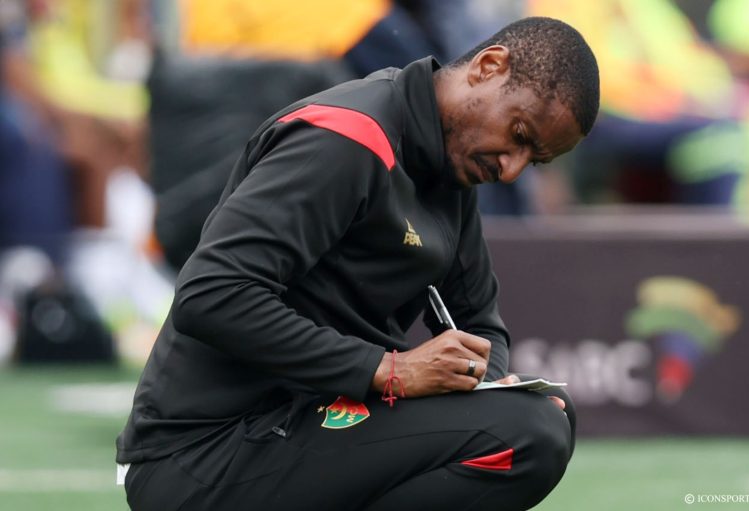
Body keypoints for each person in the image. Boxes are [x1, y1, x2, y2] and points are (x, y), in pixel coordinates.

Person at [117, 16, 599, 511]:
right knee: (527, 432)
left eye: (534, 161)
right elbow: (210, 294)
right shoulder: (346, 137)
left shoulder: (451, 163)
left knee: (547, 413)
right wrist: (387, 370)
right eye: (519, 134)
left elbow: (480, 323)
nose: (511, 169)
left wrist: (486, 382)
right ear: (488, 67)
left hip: (307, 418)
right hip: (201, 452)